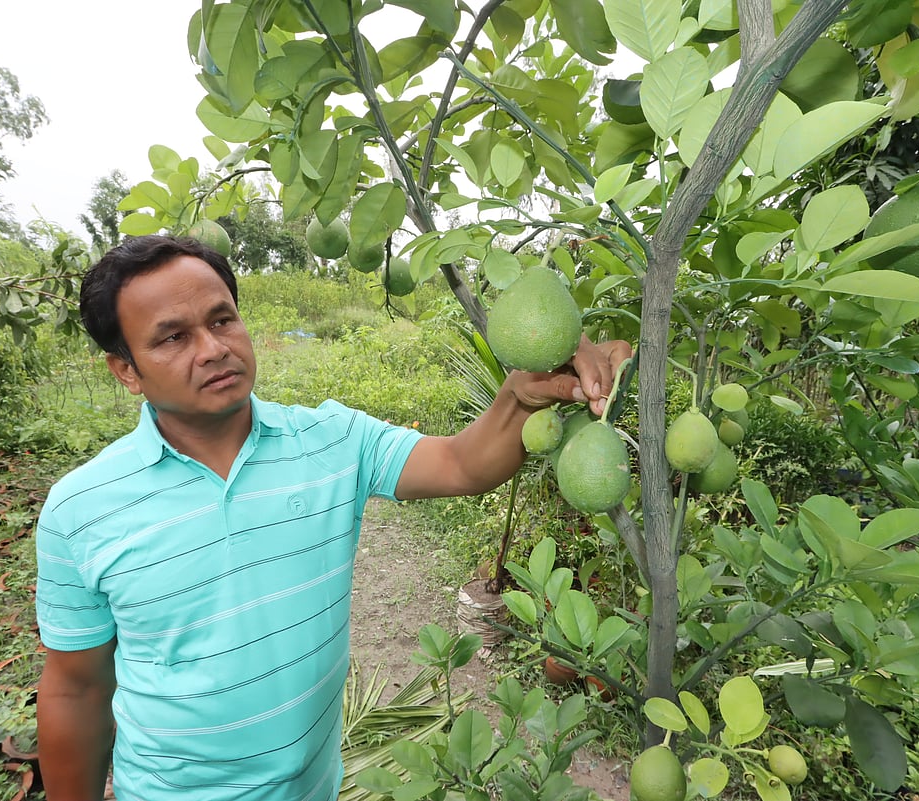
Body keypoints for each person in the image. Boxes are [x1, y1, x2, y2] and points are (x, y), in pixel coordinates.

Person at [35, 234, 632, 801]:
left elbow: (459, 463)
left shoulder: (331, 439)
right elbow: (75, 687)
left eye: (222, 319)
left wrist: (524, 390)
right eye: (172, 337)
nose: (214, 347)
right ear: (126, 370)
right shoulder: (81, 508)